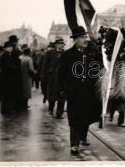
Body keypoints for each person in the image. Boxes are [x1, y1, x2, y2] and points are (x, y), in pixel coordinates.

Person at [57, 26, 102, 155]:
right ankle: (74, 144)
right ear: (75, 39)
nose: (85, 39)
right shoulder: (67, 55)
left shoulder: (92, 53)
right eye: (82, 37)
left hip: (89, 91)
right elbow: (61, 73)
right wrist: (61, 89)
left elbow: (100, 66)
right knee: (74, 117)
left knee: (86, 115)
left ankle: (83, 136)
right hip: (74, 92)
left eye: (85, 37)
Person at [41, 38, 66, 118]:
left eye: (62, 44)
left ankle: (59, 113)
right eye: (60, 43)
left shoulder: (65, 53)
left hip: (62, 78)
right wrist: (43, 76)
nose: (62, 45)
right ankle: (50, 109)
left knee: (62, 97)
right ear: (56, 45)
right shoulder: (50, 53)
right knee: (52, 96)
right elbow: (45, 65)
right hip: (52, 78)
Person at [0, 41, 21, 114]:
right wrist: (16, 68)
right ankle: (6, 110)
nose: (11, 48)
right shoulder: (5, 55)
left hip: (7, 77)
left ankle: (6, 109)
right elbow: (8, 66)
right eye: (10, 47)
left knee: (7, 94)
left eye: (11, 47)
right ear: (6, 48)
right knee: (7, 94)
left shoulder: (7, 54)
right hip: (6, 77)